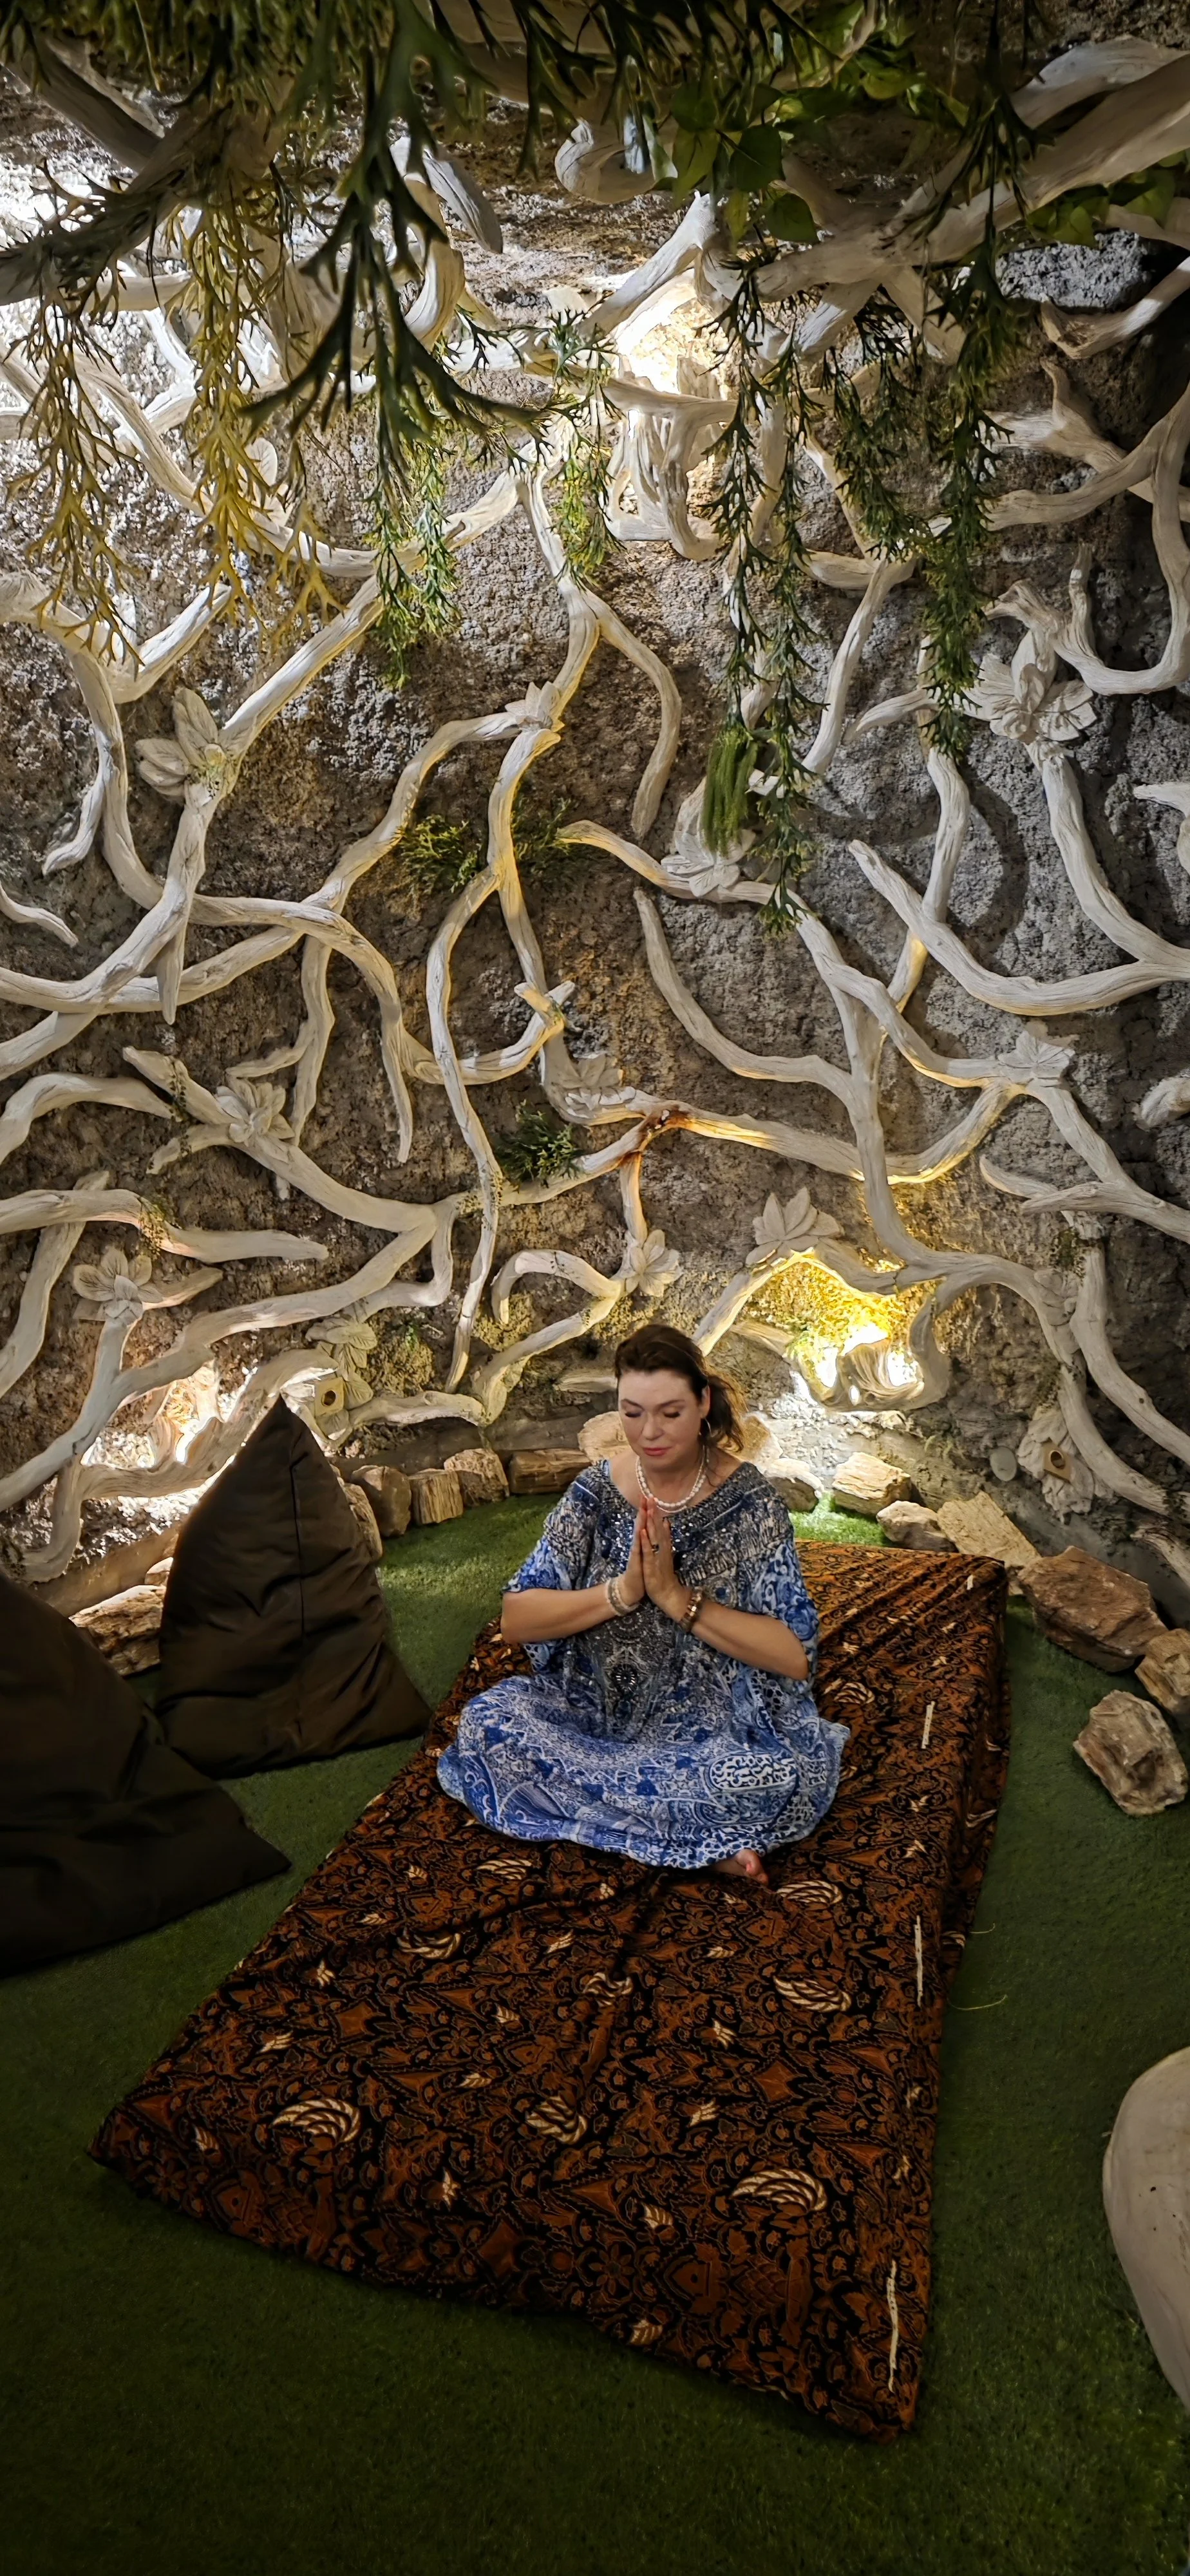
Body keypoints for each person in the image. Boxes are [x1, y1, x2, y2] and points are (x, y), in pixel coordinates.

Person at [437, 1324, 845, 1885]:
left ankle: (651, 1825)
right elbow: (517, 1618)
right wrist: (623, 1593)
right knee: (487, 1724)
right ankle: (690, 1840)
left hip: (710, 1733)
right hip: (588, 1716)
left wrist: (678, 1599)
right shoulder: (595, 1492)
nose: (649, 1432)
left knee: (753, 1779)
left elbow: (795, 1657)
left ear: (703, 1403)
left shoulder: (752, 1505)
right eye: (632, 1413)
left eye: (670, 1413)